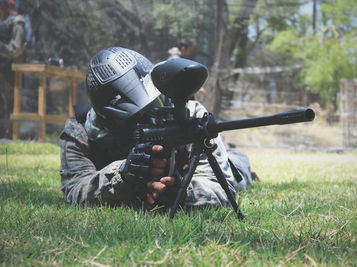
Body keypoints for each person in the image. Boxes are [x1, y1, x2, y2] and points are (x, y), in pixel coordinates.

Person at [59, 47, 253, 210]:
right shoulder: (79, 130)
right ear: (109, 119)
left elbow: (223, 187)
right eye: (135, 118)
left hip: (197, 169)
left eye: (154, 106)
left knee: (238, 173)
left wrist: (184, 194)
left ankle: (238, 156)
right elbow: (74, 187)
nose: (150, 119)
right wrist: (122, 175)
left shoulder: (189, 114)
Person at [0, 0, 25, 136]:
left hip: (11, 73)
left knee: (10, 105)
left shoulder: (16, 22)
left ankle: (10, 134)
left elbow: (16, 49)